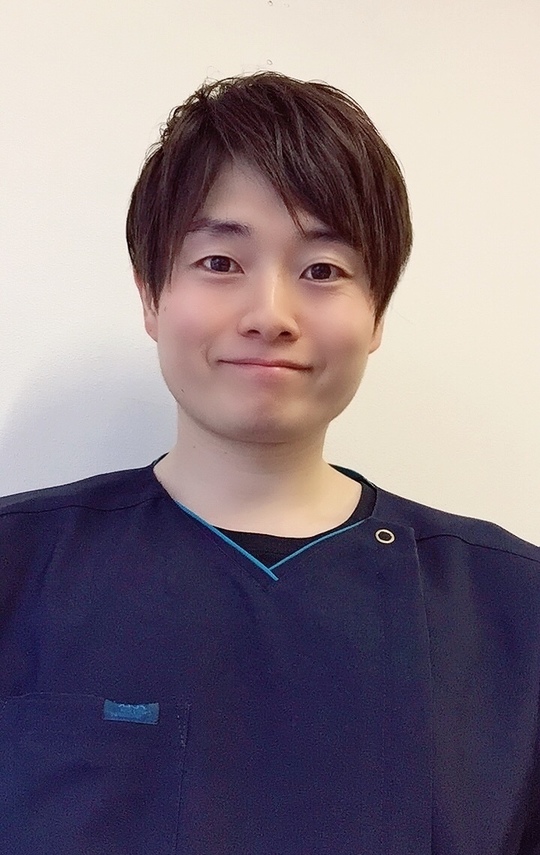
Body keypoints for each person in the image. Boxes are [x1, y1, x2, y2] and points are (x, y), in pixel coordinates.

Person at [0, 71, 538, 855]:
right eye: (221, 262)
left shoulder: (513, 610)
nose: (270, 315)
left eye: (323, 270)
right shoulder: (18, 565)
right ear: (150, 296)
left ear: (377, 313)